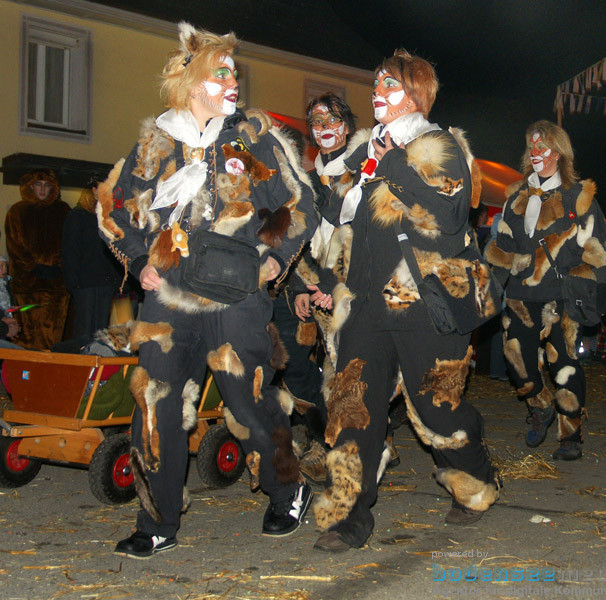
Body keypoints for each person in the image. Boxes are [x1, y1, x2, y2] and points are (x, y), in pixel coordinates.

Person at [96, 23, 317, 558]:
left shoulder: (252, 135)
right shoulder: (156, 141)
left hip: (236, 294)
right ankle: (158, 521)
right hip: (168, 298)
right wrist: (139, 259)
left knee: (246, 400)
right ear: (191, 82)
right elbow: (111, 208)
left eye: (235, 73)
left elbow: (299, 203)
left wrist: (272, 260)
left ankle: (288, 486)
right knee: (157, 405)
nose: (232, 81)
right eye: (220, 72)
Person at [306, 50, 500, 552]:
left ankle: (475, 480)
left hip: (425, 303)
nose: (376, 92)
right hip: (367, 304)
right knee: (352, 403)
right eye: (375, 84)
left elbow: (452, 214)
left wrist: (391, 159)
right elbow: (343, 224)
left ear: (417, 93)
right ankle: (348, 514)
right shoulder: (363, 151)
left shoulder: (440, 145)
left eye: (389, 84)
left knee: (438, 410)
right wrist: (327, 277)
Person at [485, 120, 606, 460]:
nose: (536, 152)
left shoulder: (577, 195)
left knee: (565, 367)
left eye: (543, 146)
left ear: (559, 152)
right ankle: (540, 405)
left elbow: (599, 246)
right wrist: (483, 291)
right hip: (520, 295)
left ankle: (571, 434)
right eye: (532, 146)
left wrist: (598, 287)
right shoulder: (516, 195)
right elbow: (502, 247)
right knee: (518, 364)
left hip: (561, 296)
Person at [284, 91, 361, 482]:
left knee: (349, 370)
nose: (325, 129)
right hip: (313, 289)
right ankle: (320, 436)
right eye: (317, 124)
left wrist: (338, 282)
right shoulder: (307, 182)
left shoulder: (366, 171)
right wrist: (300, 286)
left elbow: (365, 235)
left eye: (333, 122)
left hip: (356, 287)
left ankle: (353, 445)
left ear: (347, 126)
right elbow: (300, 237)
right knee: (296, 364)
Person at [5, 169, 70, 349]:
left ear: (53, 188)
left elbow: (70, 243)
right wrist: (34, 267)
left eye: (47, 185)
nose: (42, 189)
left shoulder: (63, 211)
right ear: (30, 186)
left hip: (56, 286)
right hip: (26, 285)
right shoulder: (17, 211)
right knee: (25, 335)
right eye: (38, 185)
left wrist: (58, 266)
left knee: (52, 336)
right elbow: (14, 245)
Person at [62, 180, 125, 341]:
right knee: (84, 328)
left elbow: (115, 248)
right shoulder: (78, 215)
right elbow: (70, 250)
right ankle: (81, 363)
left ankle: (97, 362)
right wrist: (72, 280)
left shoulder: (109, 215)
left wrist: (117, 279)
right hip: (84, 282)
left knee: (100, 330)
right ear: (93, 190)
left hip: (105, 281)